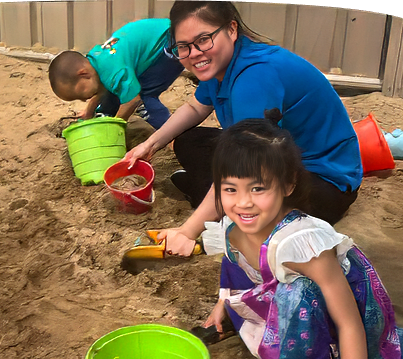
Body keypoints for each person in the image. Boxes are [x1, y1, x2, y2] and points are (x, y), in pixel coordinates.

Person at [202, 110, 403, 359]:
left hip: (344, 304)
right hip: (288, 294)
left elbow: (349, 323)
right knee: (285, 290)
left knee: (300, 292)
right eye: (230, 189)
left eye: (258, 188)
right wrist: (224, 302)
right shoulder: (234, 226)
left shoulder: (303, 245)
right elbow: (235, 266)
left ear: (288, 185)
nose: (243, 202)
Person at [124, 1, 362, 255]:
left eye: (203, 40)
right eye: (183, 47)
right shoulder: (222, 63)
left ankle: (214, 207)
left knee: (253, 207)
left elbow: (244, 166)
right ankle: (214, 200)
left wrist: (186, 232)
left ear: (232, 29)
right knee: (189, 141)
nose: (194, 53)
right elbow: (195, 108)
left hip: (321, 183)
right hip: (276, 157)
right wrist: (149, 144)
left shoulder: (254, 77)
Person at [48, 17, 186, 129]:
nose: (84, 100)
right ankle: (105, 114)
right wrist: (89, 111)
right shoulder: (95, 59)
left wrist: (116, 125)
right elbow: (102, 86)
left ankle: (173, 133)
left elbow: (133, 100)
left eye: (79, 94)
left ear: (83, 74)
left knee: (142, 97)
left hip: (171, 43)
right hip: (160, 35)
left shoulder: (113, 71)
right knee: (115, 89)